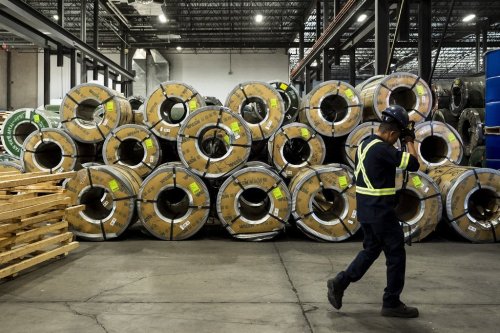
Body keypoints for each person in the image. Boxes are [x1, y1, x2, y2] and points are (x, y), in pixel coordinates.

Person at [327, 105, 420, 318]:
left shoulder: (365, 143)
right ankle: (392, 303)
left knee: (371, 250)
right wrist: (409, 142)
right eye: (396, 137)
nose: (396, 141)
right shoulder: (383, 149)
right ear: (391, 133)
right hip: (381, 212)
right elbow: (414, 164)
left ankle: (340, 282)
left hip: (367, 210)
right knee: (396, 255)